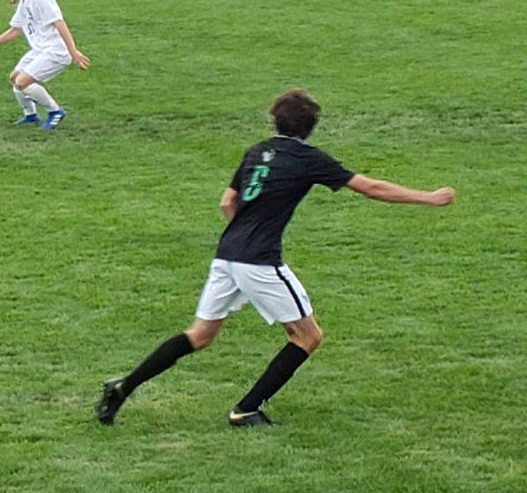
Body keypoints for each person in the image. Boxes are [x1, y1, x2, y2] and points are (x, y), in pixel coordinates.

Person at [95, 89, 455, 428]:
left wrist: (244, 233)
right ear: (310, 127)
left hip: (227, 255)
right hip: (259, 262)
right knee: (308, 336)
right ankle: (245, 410)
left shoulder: (257, 151)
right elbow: (370, 188)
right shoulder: (308, 158)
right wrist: (428, 197)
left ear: (276, 120)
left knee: (200, 334)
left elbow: (226, 202)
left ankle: (123, 386)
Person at [0, 0, 89, 131]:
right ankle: (30, 115)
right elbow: (16, 29)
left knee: (22, 82)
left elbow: (60, 24)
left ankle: (55, 111)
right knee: (14, 77)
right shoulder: (24, 2)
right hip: (39, 49)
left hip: (55, 51)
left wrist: (73, 52)